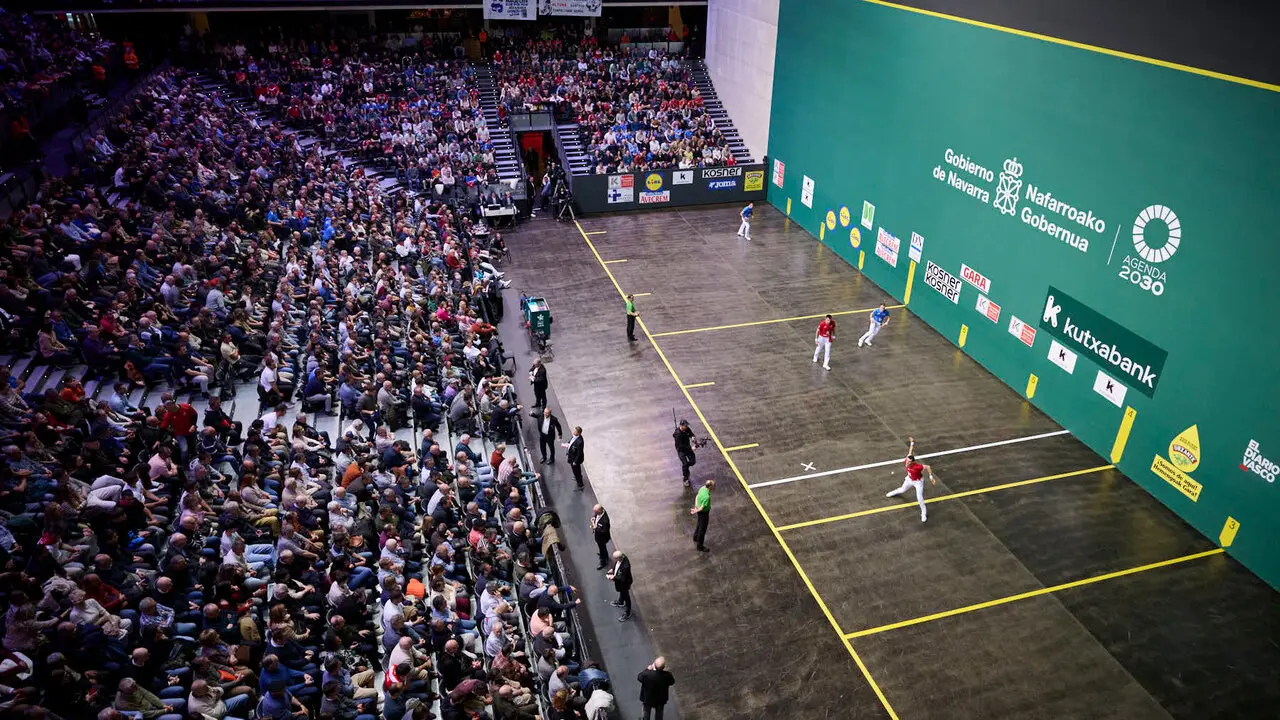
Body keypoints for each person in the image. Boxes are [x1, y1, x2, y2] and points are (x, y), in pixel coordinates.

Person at [885, 436, 938, 522]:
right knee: (902, 490)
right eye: (907, 461)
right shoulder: (907, 459)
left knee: (919, 497)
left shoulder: (918, 466)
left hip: (918, 482)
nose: (907, 462)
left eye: (909, 462)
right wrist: (912, 443)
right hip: (909, 479)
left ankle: (923, 513)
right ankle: (893, 492)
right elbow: (911, 451)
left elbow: (928, 467)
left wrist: (931, 477)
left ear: (913, 462)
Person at [606, 550, 632, 622]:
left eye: (615, 558)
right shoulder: (621, 557)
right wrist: (613, 570)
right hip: (621, 584)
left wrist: (613, 577)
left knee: (626, 596)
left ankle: (628, 613)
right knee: (622, 592)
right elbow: (617, 566)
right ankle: (620, 602)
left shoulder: (625, 566)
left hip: (625, 583)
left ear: (619, 558)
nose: (614, 560)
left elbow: (622, 578)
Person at [689, 480, 715, 552]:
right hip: (704, 513)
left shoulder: (702, 488)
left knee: (699, 523)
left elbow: (697, 496)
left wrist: (696, 506)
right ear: (709, 487)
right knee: (702, 529)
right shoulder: (707, 497)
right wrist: (696, 510)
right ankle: (700, 546)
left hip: (699, 512)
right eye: (713, 485)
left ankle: (695, 537)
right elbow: (702, 508)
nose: (714, 486)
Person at [673, 419, 697, 487]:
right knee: (685, 463)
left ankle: (685, 468)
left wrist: (692, 437)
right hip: (681, 450)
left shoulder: (687, 429)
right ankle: (685, 479)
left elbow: (691, 434)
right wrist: (691, 448)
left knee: (693, 461)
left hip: (688, 447)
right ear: (681, 425)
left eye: (686, 425)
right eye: (685, 425)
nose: (686, 427)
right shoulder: (678, 435)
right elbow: (681, 446)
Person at [590, 504, 611, 570]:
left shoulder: (605, 520)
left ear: (600, 511)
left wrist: (595, 526)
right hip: (598, 536)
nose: (595, 513)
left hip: (602, 538)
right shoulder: (599, 513)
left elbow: (604, 531)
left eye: (596, 512)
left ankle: (603, 561)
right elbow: (596, 516)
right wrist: (594, 518)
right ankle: (605, 555)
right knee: (602, 548)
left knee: (602, 548)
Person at [564, 425, 585, 490]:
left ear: (578, 433)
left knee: (577, 471)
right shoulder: (574, 437)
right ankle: (576, 477)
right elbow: (571, 442)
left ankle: (580, 484)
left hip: (575, 460)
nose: (574, 432)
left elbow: (579, 453)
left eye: (575, 431)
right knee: (575, 470)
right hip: (572, 457)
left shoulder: (579, 442)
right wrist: (567, 444)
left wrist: (575, 461)